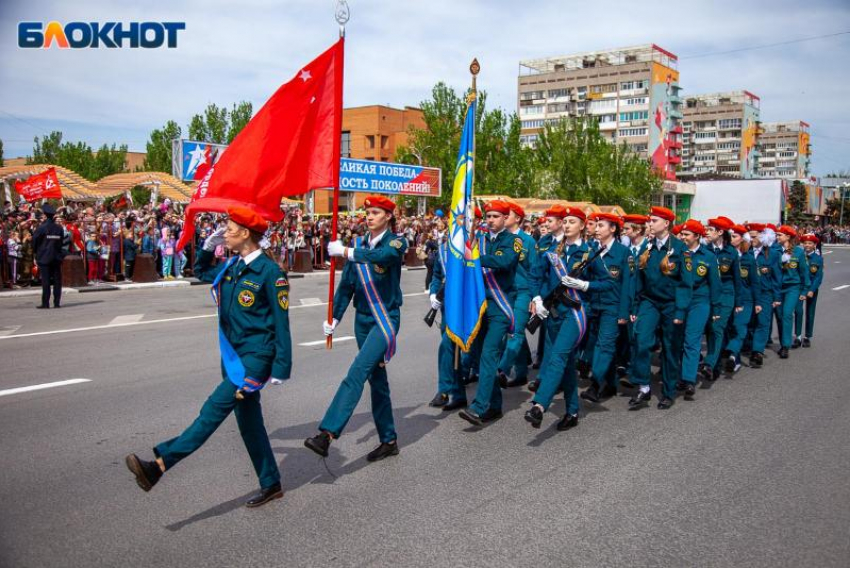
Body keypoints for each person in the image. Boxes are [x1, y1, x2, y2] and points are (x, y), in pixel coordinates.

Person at [125, 206, 292, 508]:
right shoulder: (233, 267)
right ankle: (271, 483)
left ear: (245, 233)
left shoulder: (270, 273)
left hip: (253, 361)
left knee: (210, 413)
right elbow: (202, 272)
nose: (224, 233)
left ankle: (158, 466)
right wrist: (205, 247)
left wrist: (279, 368)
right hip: (232, 358)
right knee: (250, 425)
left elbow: (281, 325)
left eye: (229, 229)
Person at [305, 195, 406, 462]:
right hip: (362, 320)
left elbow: (383, 256)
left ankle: (327, 434)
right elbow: (347, 286)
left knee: (357, 371)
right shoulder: (359, 244)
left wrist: (346, 252)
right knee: (377, 381)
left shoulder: (396, 242)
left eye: (375, 212)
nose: (369, 216)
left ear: (387, 217)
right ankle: (389, 439)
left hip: (384, 319)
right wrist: (334, 318)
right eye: (368, 212)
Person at [524, 205, 611, 430]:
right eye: (565, 221)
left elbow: (609, 282)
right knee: (567, 362)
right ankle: (572, 411)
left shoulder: (591, 252)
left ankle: (539, 406)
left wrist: (585, 284)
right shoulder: (552, 250)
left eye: (572, 222)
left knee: (557, 357)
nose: (567, 225)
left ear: (582, 226)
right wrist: (537, 299)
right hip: (553, 312)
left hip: (576, 313)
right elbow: (535, 275)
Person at [456, 200, 521, 427]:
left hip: (500, 306)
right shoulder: (480, 241)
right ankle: (494, 405)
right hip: (479, 305)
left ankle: (479, 406)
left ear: (505, 218)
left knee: (489, 354)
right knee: (477, 354)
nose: (491, 220)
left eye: (496, 216)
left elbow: (503, 262)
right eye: (489, 216)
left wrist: (474, 257)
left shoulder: (513, 241)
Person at [628, 206, 692, 410]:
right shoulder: (648, 247)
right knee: (641, 339)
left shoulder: (680, 249)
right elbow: (639, 279)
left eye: (654, 221)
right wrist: (635, 307)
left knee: (671, 347)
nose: (650, 224)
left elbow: (685, 283)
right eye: (649, 221)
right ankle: (643, 387)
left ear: (666, 224)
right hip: (650, 301)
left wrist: (681, 311)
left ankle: (669, 391)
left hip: (672, 304)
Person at [580, 213, 632, 404]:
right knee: (601, 346)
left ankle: (594, 384)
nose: (597, 228)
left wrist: (624, 312)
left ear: (613, 229)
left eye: (601, 225)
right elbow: (586, 276)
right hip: (595, 305)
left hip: (612, 305)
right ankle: (609, 384)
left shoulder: (623, 252)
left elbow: (627, 284)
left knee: (605, 345)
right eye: (597, 225)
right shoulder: (593, 249)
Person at [676, 220, 721, 400]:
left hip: (699, 302)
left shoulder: (708, 256)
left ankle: (689, 379)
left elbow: (715, 284)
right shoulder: (677, 253)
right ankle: (680, 374)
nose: (683, 237)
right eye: (682, 234)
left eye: (687, 235)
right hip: (679, 302)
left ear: (696, 236)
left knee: (691, 339)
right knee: (677, 339)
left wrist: (716, 307)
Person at [498, 201, 536, 389]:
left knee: (516, 332)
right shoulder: (499, 239)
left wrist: (535, 297)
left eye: (508, 214)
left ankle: (502, 370)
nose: (504, 217)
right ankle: (521, 372)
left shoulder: (528, 241)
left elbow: (534, 272)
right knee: (508, 333)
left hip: (522, 292)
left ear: (518, 219)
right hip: (503, 293)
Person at [702, 217, 742, 381]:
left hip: (726, 294)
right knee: (710, 329)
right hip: (709, 293)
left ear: (720, 232)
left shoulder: (731, 252)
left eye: (711, 230)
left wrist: (738, 302)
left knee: (717, 327)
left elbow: (737, 279)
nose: (707, 232)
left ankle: (710, 363)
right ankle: (715, 366)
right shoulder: (704, 249)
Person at [723, 224, 760, 374]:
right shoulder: (725, 256)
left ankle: (731, 354)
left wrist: (757, 302)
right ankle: (735, 359)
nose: (731, 239)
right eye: (730, 236)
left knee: (739, 327)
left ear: (742, 240)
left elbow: (755, 282)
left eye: (735, 236)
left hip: (745, 300)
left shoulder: (748, 259)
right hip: (729, 298)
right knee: (729, 328)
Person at [747, 224, 782, 369]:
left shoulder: (773, 254)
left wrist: (777, 298)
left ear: (763, 237)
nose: (751, 239)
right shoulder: (746, 252)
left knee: (763, 322)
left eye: (754, 236)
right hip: (748, 293)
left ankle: (757, 352)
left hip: (765, 293)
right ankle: (748, 346)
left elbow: (777, 278)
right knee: (750, 322)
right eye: (749, 236)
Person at [774, 225, 809, 359]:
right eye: (776, 235)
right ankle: (784, 341)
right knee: (780, 316)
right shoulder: (774, 250)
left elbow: (804, 272)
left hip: (793, 287)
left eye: (779, 235)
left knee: (787, 313)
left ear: (788, 237)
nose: (777, 237)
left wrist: (805, 290)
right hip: (778, 287)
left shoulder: (798, 252)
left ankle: (785, 346)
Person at [32, 203, 66, 309]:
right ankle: (57, 303)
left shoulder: (41, 228)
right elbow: (61, 243)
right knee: (57, 281)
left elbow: (34, 242)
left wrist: (36, 253)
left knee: (46, 281)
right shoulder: (59, 228)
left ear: (45, 215)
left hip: (44, 257)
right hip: (56, 257)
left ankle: (45, 303)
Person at [794, 234, 823, 347]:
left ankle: (807, 336)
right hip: (799, 287)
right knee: (798, 311)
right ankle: (798, 336)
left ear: (814, 245)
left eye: (810, 243)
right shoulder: (799, 256)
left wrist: (811, 289)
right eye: (805, 243)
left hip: (811, 289)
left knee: (810, 312)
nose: (807, 245)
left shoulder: (818, 259)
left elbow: (818, 277)